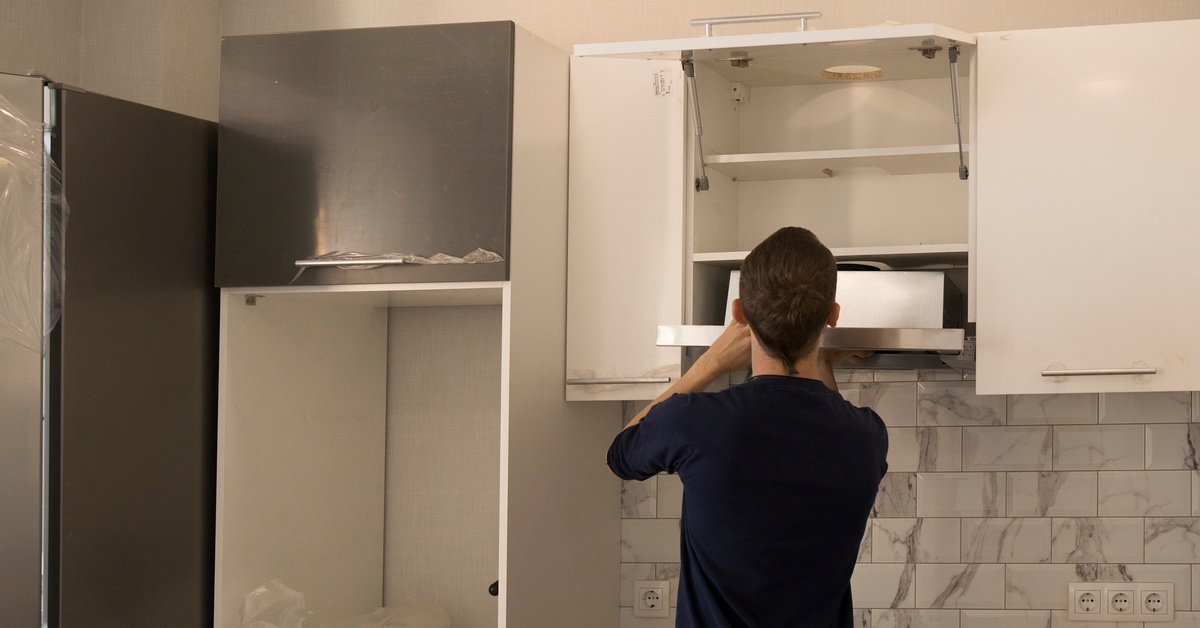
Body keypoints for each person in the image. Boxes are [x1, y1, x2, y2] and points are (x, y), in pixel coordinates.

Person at [607, 226, 888, 628]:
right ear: (832, 315)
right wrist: (823, 364)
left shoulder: (694, 421)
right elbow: (822, 420)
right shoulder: (866, 437)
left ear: (738, 313)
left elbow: (622, 453)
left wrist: (710, 363)